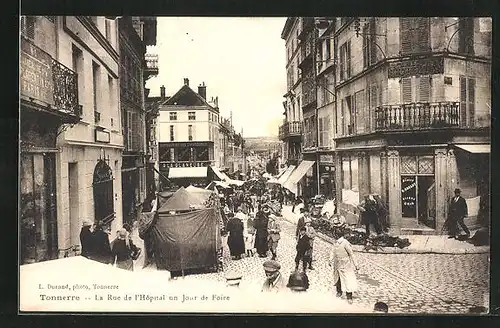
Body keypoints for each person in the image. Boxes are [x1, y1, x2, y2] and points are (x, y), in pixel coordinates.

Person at [329, 228, 359, 304]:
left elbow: (351, 254)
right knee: (337, 278)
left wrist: (356, 265)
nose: (333, 236)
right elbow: (333, 251)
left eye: (334, 234)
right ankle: (339, 291)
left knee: (347, 279)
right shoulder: (335, 243)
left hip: (345, 263)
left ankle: (349, 296)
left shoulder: (345, 243)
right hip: (337, 263)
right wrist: (330, 259)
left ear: (337, 235)